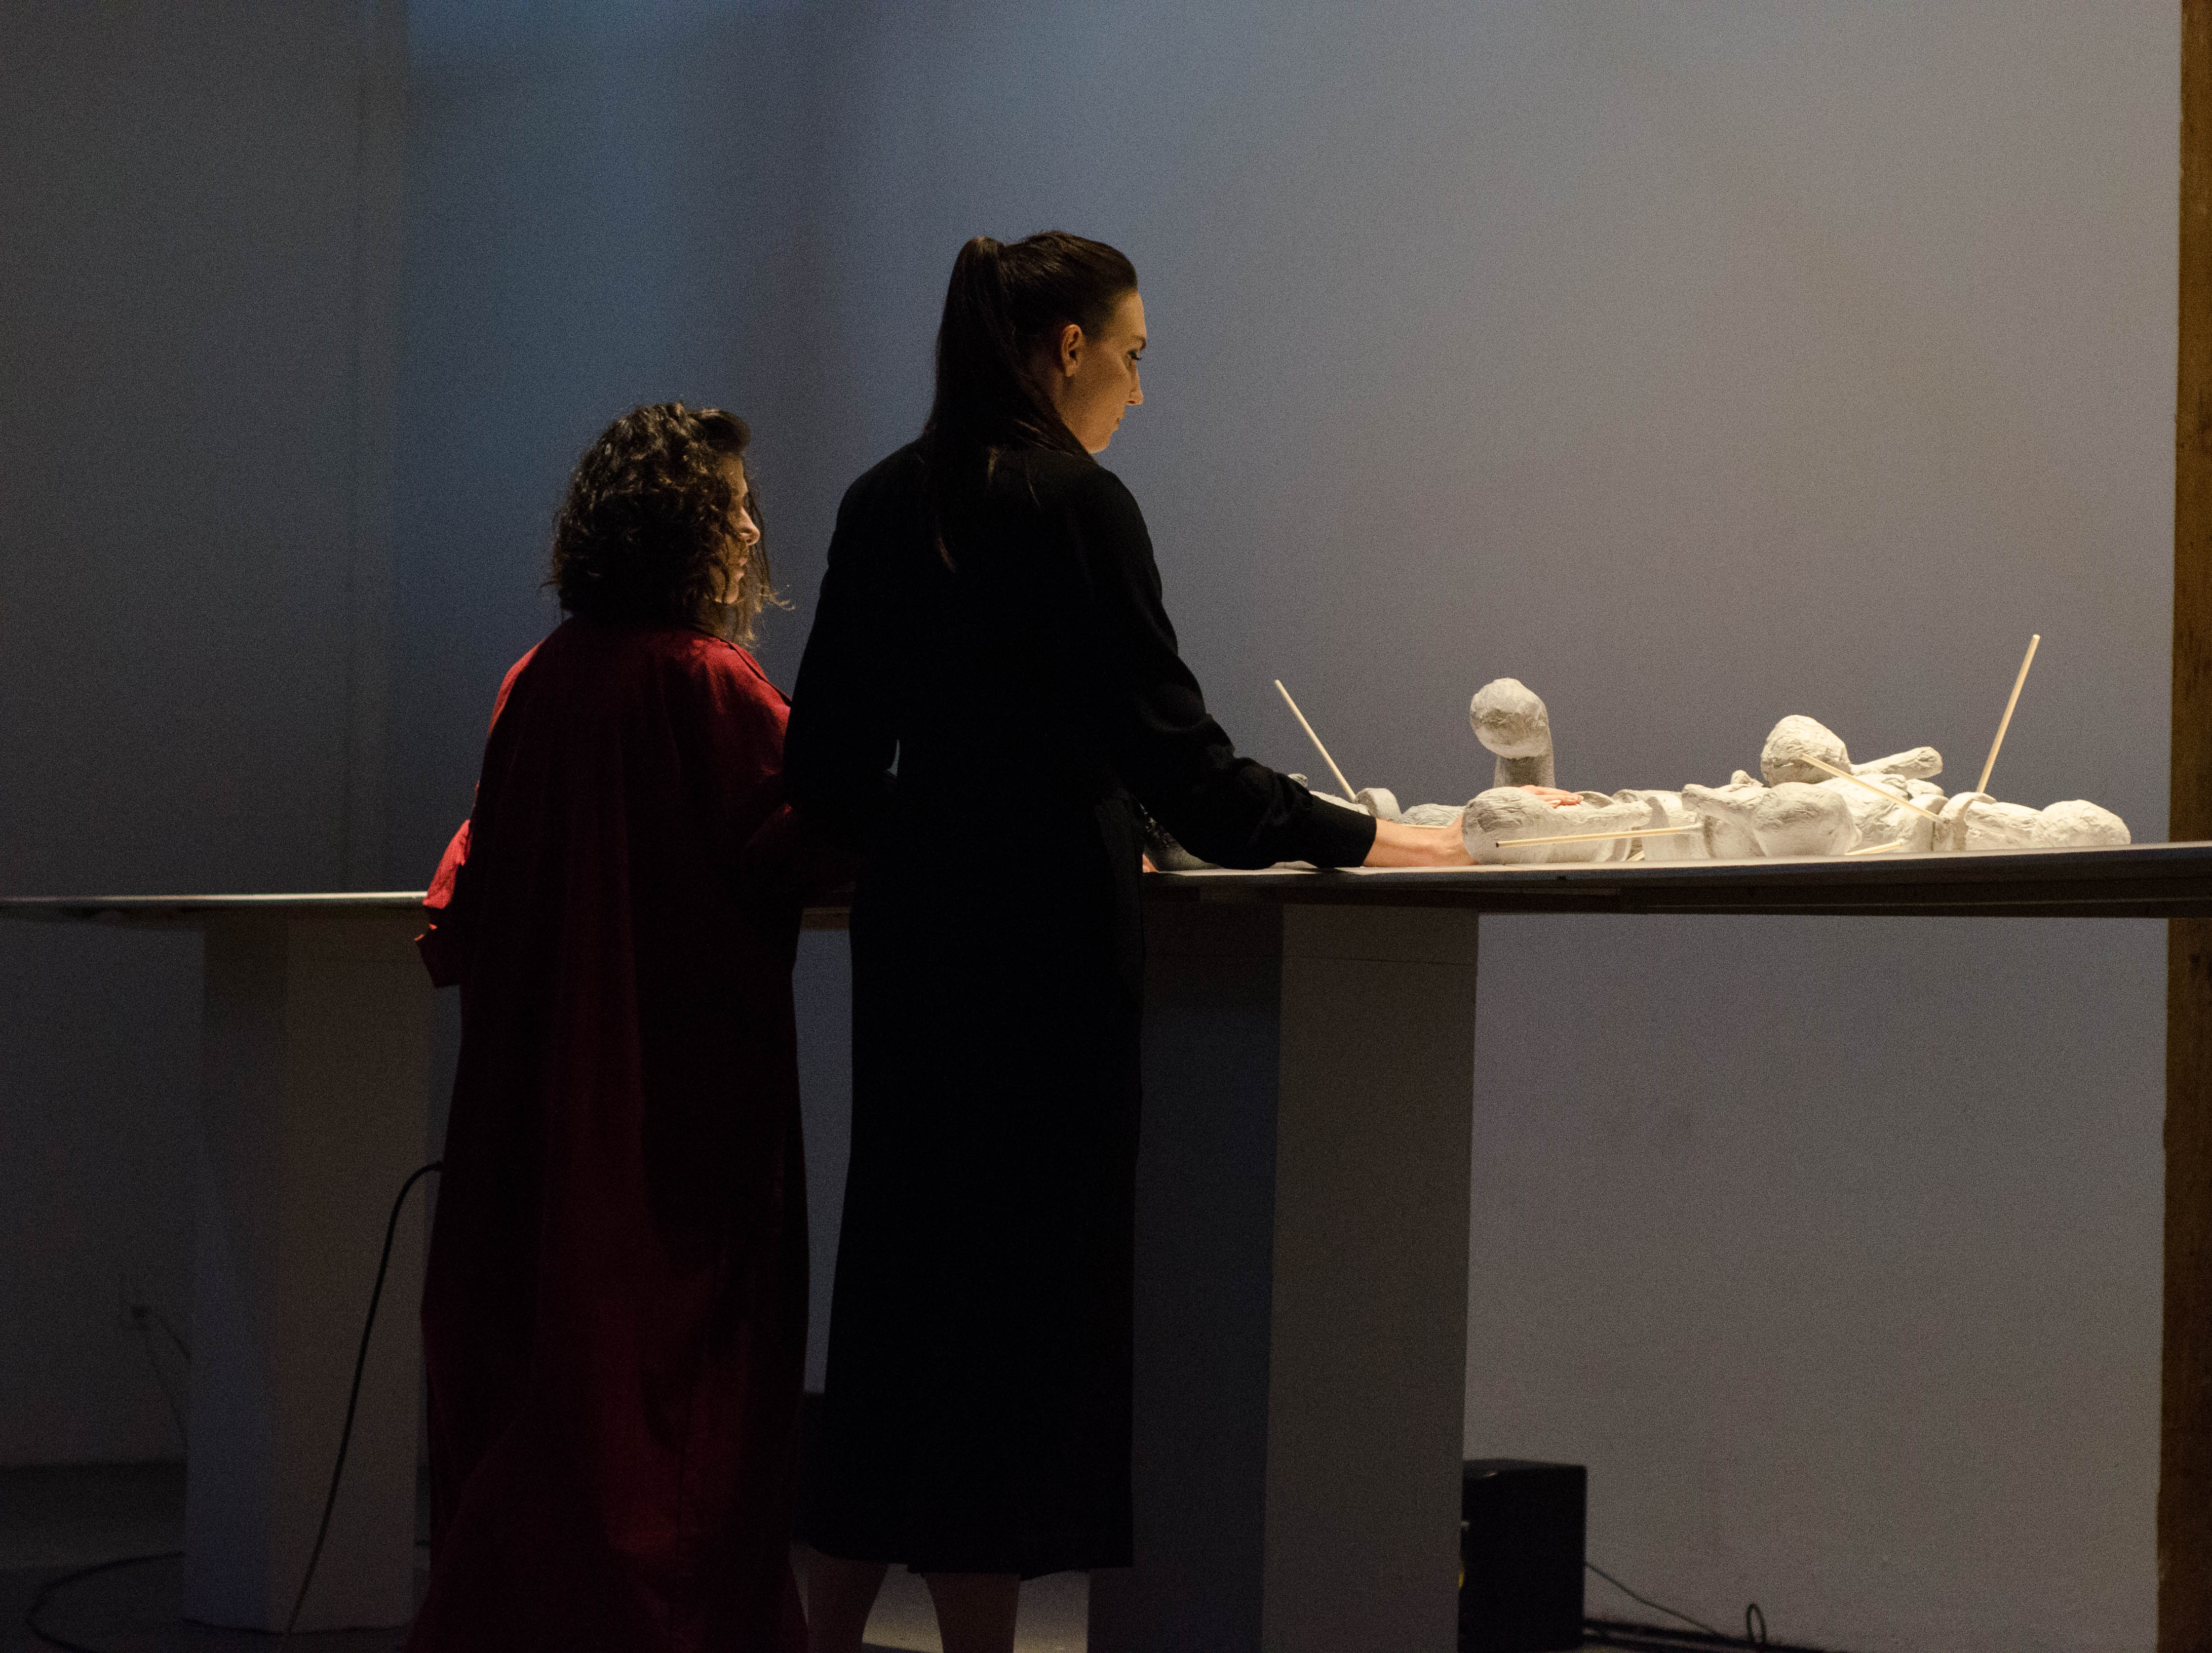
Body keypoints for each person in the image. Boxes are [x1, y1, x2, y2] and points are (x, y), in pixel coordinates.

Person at [782, 232, 1484, 1653]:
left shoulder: (880, 498)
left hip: (917, 941)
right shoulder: (1078, 503)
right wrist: (1384, 837)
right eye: (1135, 355)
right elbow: (1186, 767)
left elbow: (828, 772)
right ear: (1067, 351)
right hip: (1045, 939)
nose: (1142, 390)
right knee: (1019, 1307)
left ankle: (820, 1635)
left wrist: (946, 823)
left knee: (899, 1288)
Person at [413, 404, 840, 1653]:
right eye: (736, 505)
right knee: (672, 1405)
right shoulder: (707, 685)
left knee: (540, 1377)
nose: (753, 529)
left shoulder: (539, 680)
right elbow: (806, 836)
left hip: (534, 1109)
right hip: (674, 1108)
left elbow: (471, 889)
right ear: (690, 526)